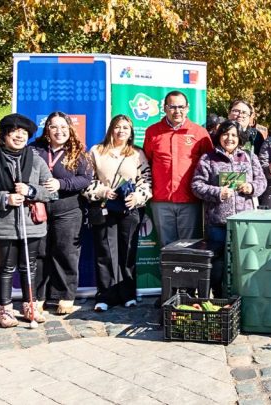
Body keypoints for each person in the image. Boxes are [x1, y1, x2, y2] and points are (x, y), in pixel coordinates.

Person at [0, 113, 52, 327]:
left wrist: (31, 191)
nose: (19, 136)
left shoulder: (36, 161)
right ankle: (4, 309)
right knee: (5, 268)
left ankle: (30, 305)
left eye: (24, 133)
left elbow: (51, 192)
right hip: (3, 226)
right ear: (4, 135)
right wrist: (5, 198)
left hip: (32, 225)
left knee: (29, 267)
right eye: (14, 132)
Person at [84, 115, 152, 312]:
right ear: (111, 129)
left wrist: (138, 197)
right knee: (105, 252)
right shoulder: (96, 151)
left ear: (131, 132)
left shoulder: (137, 154)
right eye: (117, 127)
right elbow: (87, 179)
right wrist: (101, 191)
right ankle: (105, 295)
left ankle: (128, 294)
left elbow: (146, 180)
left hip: (130, 209)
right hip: (104, 206)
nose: (121, 131)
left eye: (125, 128)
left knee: (128, 252)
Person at [192, 120, 266, 295]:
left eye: (233, 135)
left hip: (244, 223)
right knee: (218, 265)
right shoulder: (208, 158)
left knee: (244, 262)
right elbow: (196, 185)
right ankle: (219, 298)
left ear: (239, 138)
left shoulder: (249, 156)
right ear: (219, 136)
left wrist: (252, 187)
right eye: (225, 134)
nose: (229, 138)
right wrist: (217, 192)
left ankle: (241, 298)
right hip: (218, 222)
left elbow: (262, 181)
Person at [29, 112, 92, 315]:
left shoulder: (79, 152)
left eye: (63, 127)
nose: (59, 131)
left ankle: (64, 296)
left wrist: (61, 184)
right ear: (47, 129)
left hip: (69, 210)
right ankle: (38, 296)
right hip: (39, 209)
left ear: (69, 129)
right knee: (39, 253)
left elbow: (85, 180)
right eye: (54, 127)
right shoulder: (34, 150)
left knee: (66, 253)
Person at [143, 90, 212, 247]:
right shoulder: (152, 132)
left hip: (190, 200)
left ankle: (188, 272)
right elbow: (147, 162)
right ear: (165, 108)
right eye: (172, 107)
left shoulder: (199, 133)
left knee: (190, 247)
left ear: (188, 108)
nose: (177, 111)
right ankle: (168, 273)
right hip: (161, 200)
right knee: (166, 246)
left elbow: (209, 164)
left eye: (181, 107)